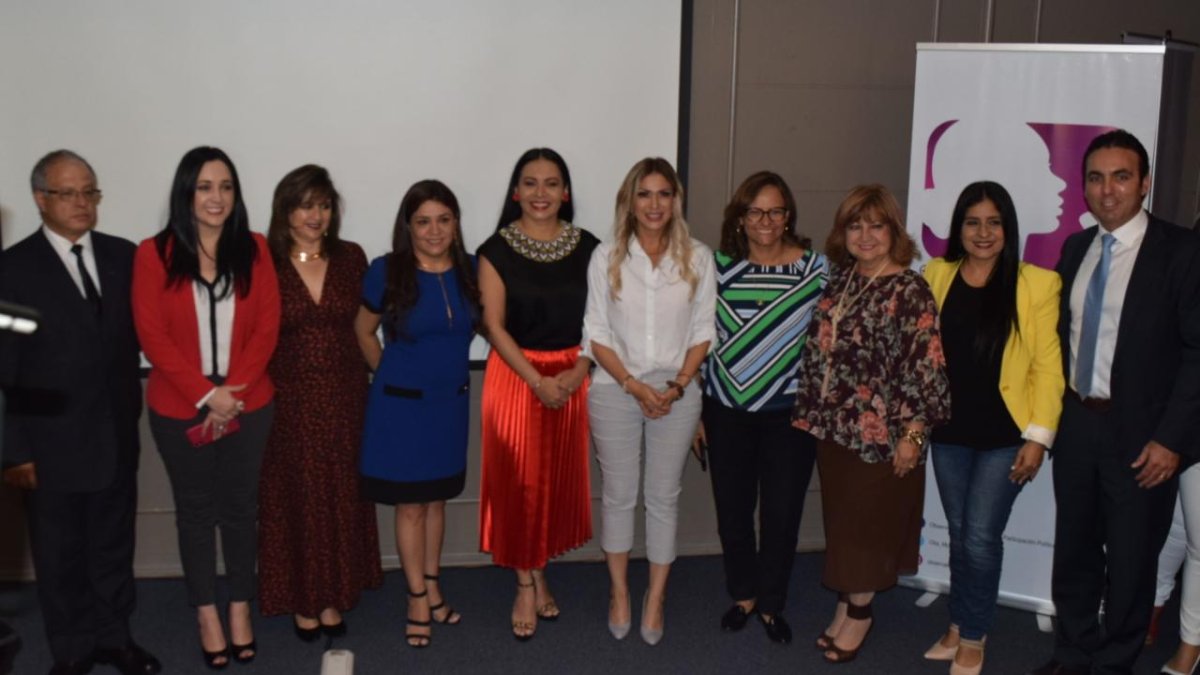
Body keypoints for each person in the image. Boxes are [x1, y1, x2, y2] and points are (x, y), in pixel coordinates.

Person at [1030, 129, 1200, 675]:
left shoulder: (1182, 252)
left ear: (1144, 183)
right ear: (1084, 186)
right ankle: (1072, 651)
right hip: (1079, 425)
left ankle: (1112, 664)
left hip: (1145, 438)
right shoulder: (1076, 248)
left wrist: (1171, 440)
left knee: (1130, 562)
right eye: (1096, 178)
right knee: (1074, 551)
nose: (1108, 190)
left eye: (1121, 177)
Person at [0, 150, 160, 675]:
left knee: (113, 545)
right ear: (40, 199)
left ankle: (115, 638)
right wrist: (14, 452)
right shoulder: (13, 269)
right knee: (59, 553)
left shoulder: (123, 256)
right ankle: (71, 650)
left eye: (89, 191)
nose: (82, 203)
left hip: (115, 435)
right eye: (68, 193)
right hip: (48, 446)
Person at [132, 146, 280, 669]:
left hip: (249, 403)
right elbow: (151, 334)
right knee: (195, 513)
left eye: (226, 186)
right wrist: (205, 395)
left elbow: (267, 326)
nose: (216, 197)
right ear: (186, 193)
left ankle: (239, 606)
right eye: (204, 186)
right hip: (180, 407)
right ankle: (205, 613)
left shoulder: (255, 249)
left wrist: (231, 394)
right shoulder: (153, 254)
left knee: (241, 509)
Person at [792, 183, 951, 665]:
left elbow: (926, 369)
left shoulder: (910, 289)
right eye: (855, 226)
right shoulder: (843, 280)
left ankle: (860, 614)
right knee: (844, 523)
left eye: (876, 226)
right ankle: (847, 603)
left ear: (893, 231)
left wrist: (913, 437)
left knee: (866, 527)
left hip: (882, 437)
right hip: (835, 430)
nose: (865, 236)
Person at [921, 181, 1064, 675]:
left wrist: (1038, 439)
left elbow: (1048, 368)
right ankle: (959, 621)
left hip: (1006, 437)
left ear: (1008, 228)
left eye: (994, 223)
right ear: (958, 228)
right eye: (973, 222)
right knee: (961, 534)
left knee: (981, 536)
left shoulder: (1037, 284)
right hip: (949, 432)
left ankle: (974, 634)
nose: (983, 233)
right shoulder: (935, 274)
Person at [584, 157, 716, 645]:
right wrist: (634, 386)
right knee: (619, 495)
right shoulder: (606, 256)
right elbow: (595, 333)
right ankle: (619, 591)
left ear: (675, 200)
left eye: (664, 193)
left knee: (663, 496)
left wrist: (677, 386)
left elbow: (703, 330)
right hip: (615, 387)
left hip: (678, 389)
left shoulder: (698, 257)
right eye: (644, 194)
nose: (654, 204)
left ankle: (655, 597)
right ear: (630, 201)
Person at [696, 171, 825, 645]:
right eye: (755, 211)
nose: (765, 220)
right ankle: (744, 594)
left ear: (788, 216)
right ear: (741, 217)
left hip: (789, 415)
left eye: (775, 211)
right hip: (725, 410)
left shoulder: (817, 270)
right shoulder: (715, 268)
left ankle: (771, 603)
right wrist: (695, 411)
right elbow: (698, 339)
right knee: (732, 512)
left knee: (781, 514)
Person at [477, 148, 599, 641]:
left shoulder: (590, 247)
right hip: (516, 378)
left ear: (565, 192)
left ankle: (539, 568)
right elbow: (493, 325)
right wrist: (537, 381)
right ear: (515, 192)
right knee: (520, 485)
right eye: (530, 183)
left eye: (551, 183)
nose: (541, 193)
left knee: (551, 484)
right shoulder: (495, 250)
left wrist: (579, 370)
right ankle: (525, 584)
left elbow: (600, 320)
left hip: (572, 376)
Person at [257, 165, 382, 642]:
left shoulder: (352, 258)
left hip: (348, 399)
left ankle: (334, 594)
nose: (316, 215)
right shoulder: (264, 262)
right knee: (297, 499)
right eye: (306, 205)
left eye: (324, 205)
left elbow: (368, 326)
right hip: (287, 403)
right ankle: (303, 598)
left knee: (341, 495)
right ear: (285, 210)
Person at [354, 179, 480, 648]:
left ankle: (433, 586)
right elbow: (363, 331)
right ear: (408, 226)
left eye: (444, 220)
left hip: (450, 408)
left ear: (456, 224)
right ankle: (415, 599)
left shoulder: (472, 270)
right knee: (410, 506)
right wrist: (389, 375)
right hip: (401, 411)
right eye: (423, 221)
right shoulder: (387, 271)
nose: (434, 230)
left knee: (436, 501)